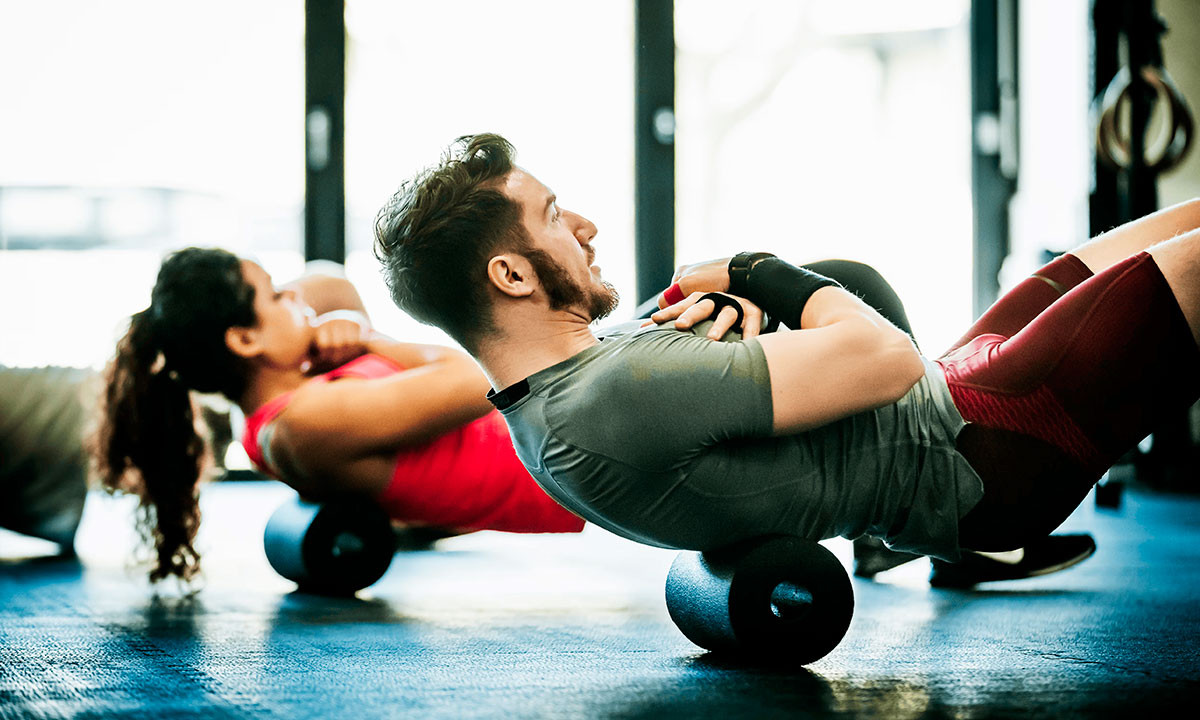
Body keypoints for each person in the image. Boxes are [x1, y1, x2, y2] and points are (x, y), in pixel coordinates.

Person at [373, 132, 1200, 569]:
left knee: (1157, 238)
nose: (584, 226)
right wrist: (754, 271)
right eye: (554, 216)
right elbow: (888, 362)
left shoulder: (566, 396)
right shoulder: (607, 396)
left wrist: (747, 310)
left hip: (954, 424)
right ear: (512, 273)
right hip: (983, 451)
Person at [93, 247, 584, 583]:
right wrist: (372, 341)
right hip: (579, 451)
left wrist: (339, 334)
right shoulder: (305, 424)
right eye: (276, 295)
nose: (298, 298)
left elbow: (330, 282)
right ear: (245, 340)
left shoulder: (295, 396)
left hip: (562, 419)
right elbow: (486, 376)